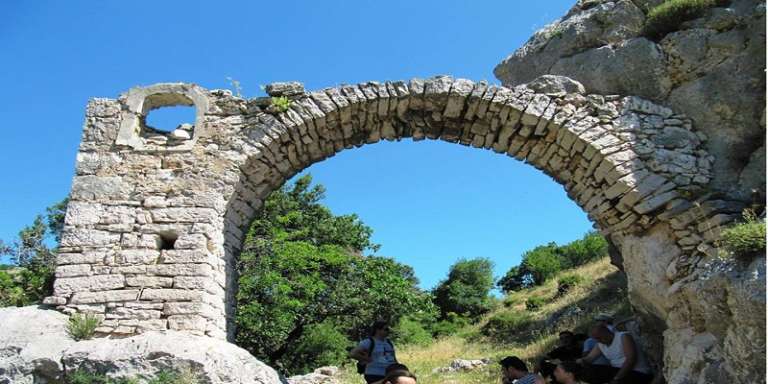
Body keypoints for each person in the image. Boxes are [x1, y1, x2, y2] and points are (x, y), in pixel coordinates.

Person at [577, 325, 653, 384]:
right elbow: (589, 358)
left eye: (599, 337)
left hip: (637, 372)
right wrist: (578, 362)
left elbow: (631, 360)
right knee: (590, 370)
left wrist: (616, 378)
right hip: (618, 373)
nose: (598, 340)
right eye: (596, 339)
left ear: (606, 332)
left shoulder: (623, 336)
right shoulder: (600, 344)